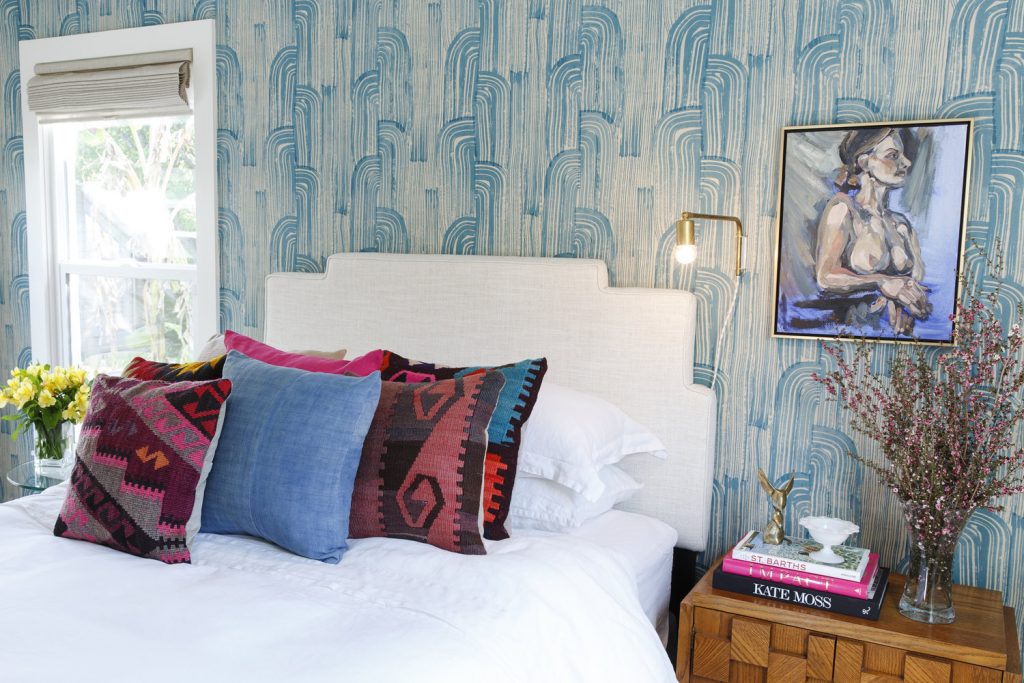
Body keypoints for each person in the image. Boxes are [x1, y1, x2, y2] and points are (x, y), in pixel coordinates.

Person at [813, 127, 931, 336]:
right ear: (864, 162)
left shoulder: (901, 224)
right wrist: (882, 282)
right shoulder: (844, 210)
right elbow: (825, 276)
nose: (906, 162)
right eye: (893, 155)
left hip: (900, 337)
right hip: (854, 333)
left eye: (903, 155)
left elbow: (918, 285)